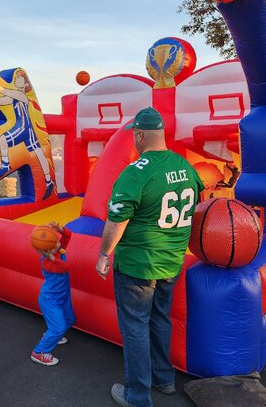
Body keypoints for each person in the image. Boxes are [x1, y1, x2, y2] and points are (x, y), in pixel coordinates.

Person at [95, 107, 204, 407]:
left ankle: (138, 395)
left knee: (135, 328)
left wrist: (104, 254)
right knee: (159, 320)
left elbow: (116, 222)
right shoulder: (185, 166)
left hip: (138, 266)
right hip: (171, 262)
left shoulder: (135, 172)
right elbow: (198, 201)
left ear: (140, 134)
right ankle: (164, 378)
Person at [0, 64, 55, 200]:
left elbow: (2, 91)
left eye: (18, 79)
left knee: (3, 137)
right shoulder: (15, 96)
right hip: (26, 129)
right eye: (15, 78)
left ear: (23, 83)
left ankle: (5, 164)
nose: (16, 80)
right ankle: (48, 180)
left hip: (23, 128)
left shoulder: (21, 95)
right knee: (39, 154)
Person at [31, 222, 75, 366]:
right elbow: (65, 267)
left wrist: (59, 229)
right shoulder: (47, 262)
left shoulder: (57, 250)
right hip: (50, 300)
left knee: (70, 320)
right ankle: (39, 352)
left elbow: (68, 236)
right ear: (47, 249)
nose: (58, 242)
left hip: (62, 296)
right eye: (54, 241)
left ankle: (52, 335)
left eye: (56, 239)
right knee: (59, 327)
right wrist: (51, 257)